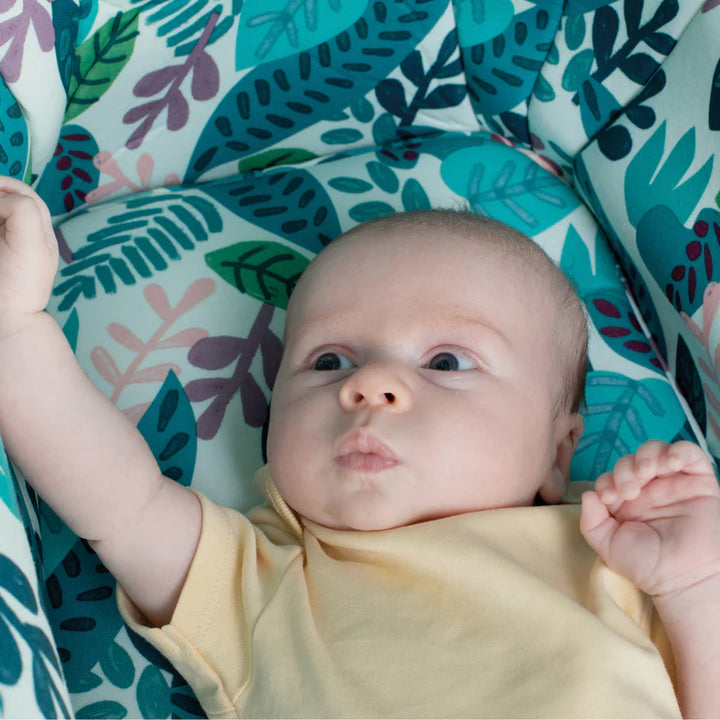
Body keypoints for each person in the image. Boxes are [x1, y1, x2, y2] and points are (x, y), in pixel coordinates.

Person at [0, 175, 718, 717]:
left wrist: (693, 589)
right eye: (329, 361)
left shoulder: (618, 553)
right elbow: (120, 500)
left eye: (445, 362)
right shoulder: (264, 585)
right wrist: (14, 326)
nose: (369, 385)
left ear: (557, 455)